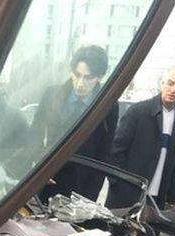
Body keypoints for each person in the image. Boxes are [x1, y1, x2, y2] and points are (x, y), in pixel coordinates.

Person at [28, 45, 119, 202]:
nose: (80, 83)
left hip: (81, 186)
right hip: (49, 177)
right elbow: (34, 134)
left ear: (99, 77)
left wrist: (90, 195)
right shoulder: (52, 94)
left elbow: (104, 152)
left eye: (87, 77)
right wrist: (40, 169)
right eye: (77, 75)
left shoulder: (107, 104)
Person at [106, 65, 175, 211]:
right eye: (170, 83)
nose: (173, 89)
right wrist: (117, 182)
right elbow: (117, 150)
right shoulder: (138, 112)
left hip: (157, 198)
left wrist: (172, 195)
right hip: (127, 193)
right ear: (162, 83)